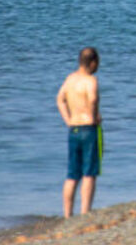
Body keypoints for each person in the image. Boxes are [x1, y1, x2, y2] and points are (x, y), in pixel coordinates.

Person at [56, 46, 101, 217]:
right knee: (89, 172)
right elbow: (93, 98)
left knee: (72, 174)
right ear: (93, 62)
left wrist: (67, 120)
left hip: (73, 128)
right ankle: (85, 212)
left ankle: (67, 214)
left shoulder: (70, 79)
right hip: (89, 128)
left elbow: (60, 99)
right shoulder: (91, 80)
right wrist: (95, 114)